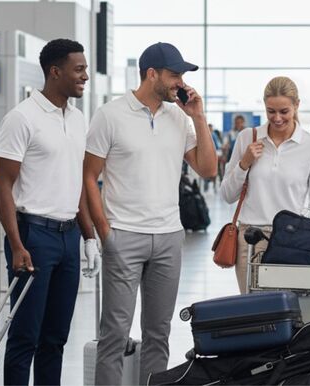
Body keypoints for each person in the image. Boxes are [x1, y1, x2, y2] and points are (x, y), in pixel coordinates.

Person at [84, 42, 216, 385]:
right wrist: (105, 233)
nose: (181, 82)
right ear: (152, 74)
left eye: (183, 76)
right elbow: (88, 176)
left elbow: (208, 169)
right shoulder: (110, 115)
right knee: (114, 333)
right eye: (175, 75)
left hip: (170, 237)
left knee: (159, 333)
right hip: (124, 236)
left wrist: (199, 117)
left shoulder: (180, 117)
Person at [0, 39, 101, 386]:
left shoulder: (78, 118)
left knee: (55, 338)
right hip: (32, 237)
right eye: (79, 69)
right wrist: (16, 243)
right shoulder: (22, 118)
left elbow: (78, 185)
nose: (85, 76)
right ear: (55, 72)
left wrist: (88, 237)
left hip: (68, 237)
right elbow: (2, 186)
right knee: (26, 335)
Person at [221, 76, 310, 293]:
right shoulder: (247, 138)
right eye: (271, 111)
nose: (277, 118)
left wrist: (305, 216)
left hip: (290, 238)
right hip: (250, 239)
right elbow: (227, 194)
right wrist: (244, 164)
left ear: (296, 105)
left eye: (284, 111)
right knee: (253, 311)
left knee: (286, 311)